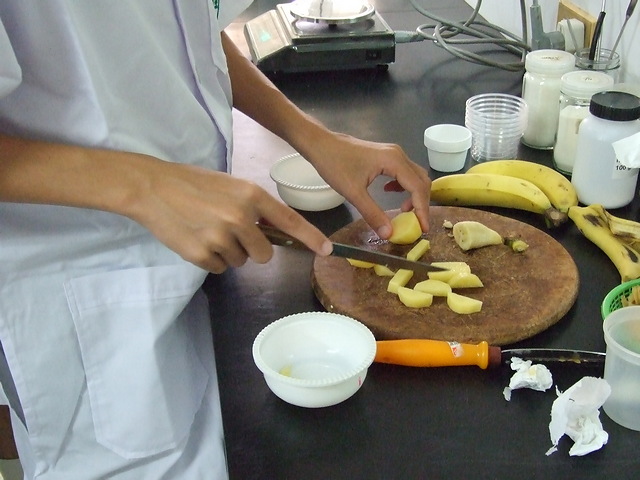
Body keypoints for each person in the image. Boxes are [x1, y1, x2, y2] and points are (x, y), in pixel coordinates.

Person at [0, 1, 431, 478]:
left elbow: (189, 36)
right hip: (88, 297)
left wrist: (312, 136)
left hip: (204, 263)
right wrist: (147, 187)